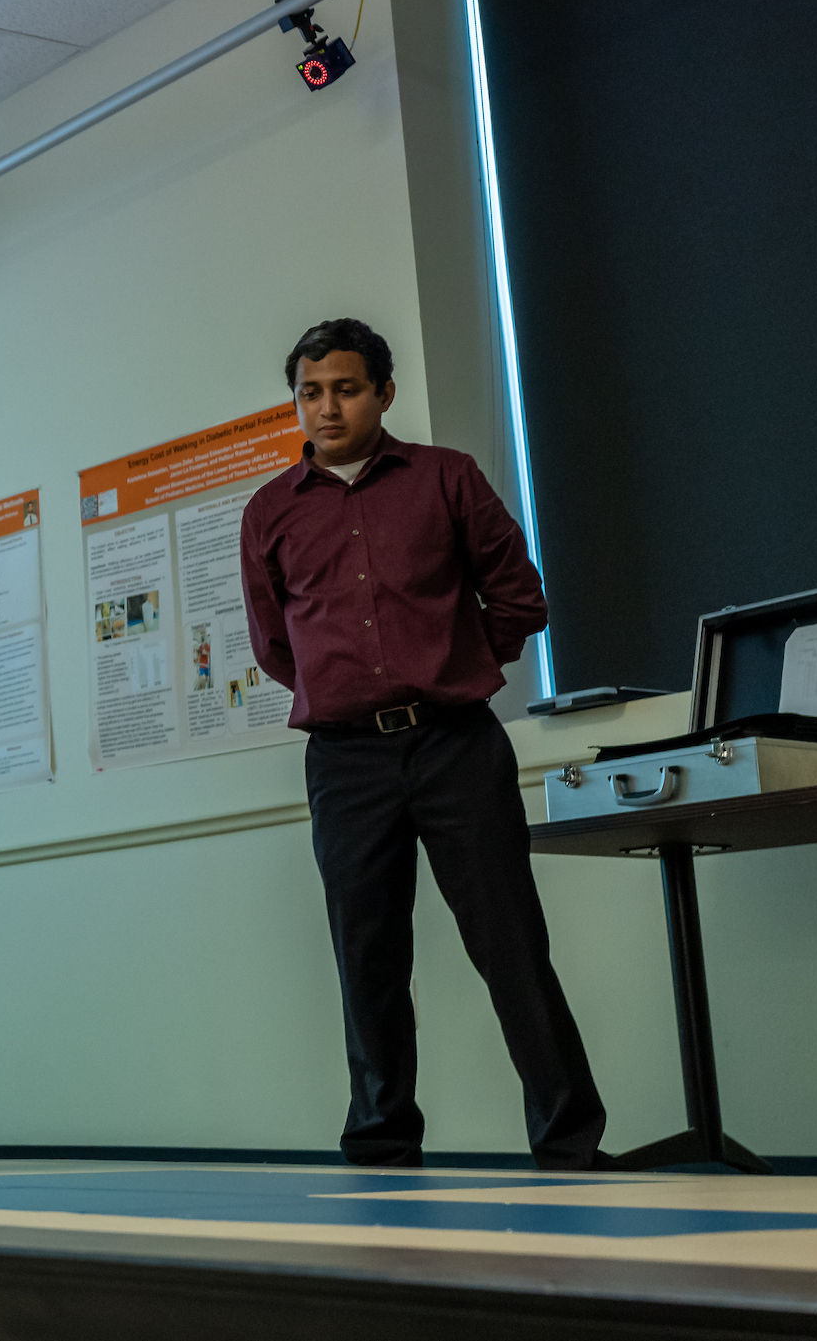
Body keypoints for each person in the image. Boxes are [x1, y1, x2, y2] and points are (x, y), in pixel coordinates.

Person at [238, 318, 610, 1171]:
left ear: (383, 394)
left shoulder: (448, 479)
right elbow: (274, 646)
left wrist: (454, 662)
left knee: (511, 947)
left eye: (346, 388)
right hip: (344, 761)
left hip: (455, 746)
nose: (326, 407)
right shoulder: (269, 513)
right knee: (367, 959)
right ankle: (380, 1146)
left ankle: (569, 1142)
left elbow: (519, 600)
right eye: (310, 391)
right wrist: (346, 692)